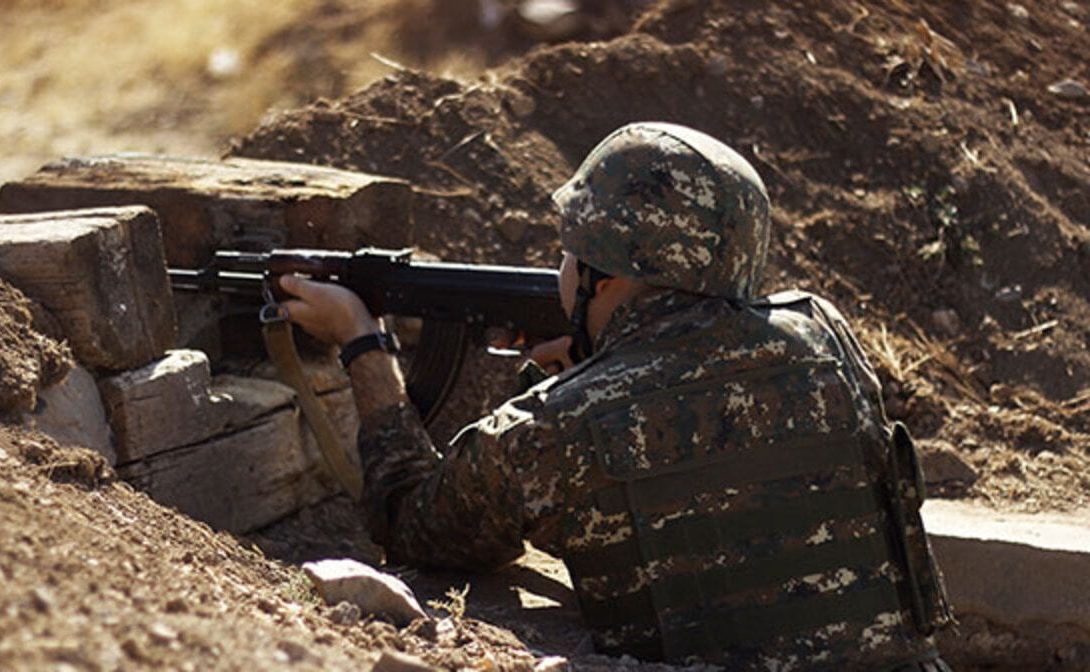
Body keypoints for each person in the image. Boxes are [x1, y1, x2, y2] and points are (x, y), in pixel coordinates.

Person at [278, 122, 953, 670]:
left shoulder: (555, 427)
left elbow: (408, 519)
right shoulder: (827, 334)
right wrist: (599, 368)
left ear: (602, 276)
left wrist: (362, 342)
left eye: (569, 251)